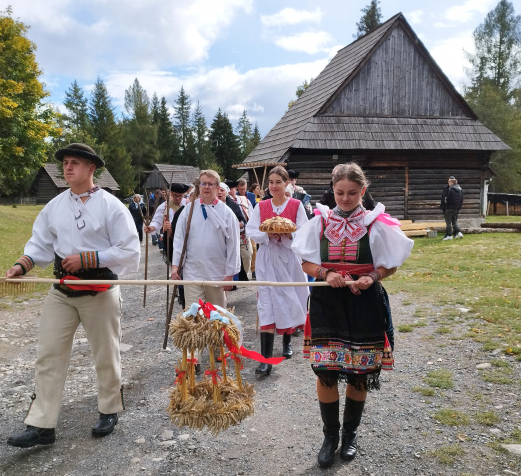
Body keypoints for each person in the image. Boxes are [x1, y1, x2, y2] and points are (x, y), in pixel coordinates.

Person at [5, 143, 140, 448]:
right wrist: (21, 265)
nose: (67, 168)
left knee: (106, 355)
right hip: (62, 292)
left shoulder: (112, 206)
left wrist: (90, 258)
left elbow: (129, 250)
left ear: (92, 169)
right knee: (48, 355)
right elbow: (40, 243)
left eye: (75, 163)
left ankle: (109, 409)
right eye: (65, 163)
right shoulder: (54, 206)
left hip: (100, 293)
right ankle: (42, 424)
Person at [292, 162, 413, 468]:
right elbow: (305, 263)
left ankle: (350, 436)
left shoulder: (377, 223)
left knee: (359, 372)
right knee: (326, 370)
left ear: (363, 190)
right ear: (332, 190)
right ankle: (329, 436)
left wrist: (372, 277)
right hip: (327, 303)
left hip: (364, 304)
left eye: (352, 193)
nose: (345, 199)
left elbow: (391, 264)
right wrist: (324, 272)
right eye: (339, 192)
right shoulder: (320, 221)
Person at [245, 166, 309, 375]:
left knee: (288, 298)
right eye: (271, 182)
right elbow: (251, 229)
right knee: (266, 303)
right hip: (267, 258)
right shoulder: (262, 206)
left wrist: (289, 234)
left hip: (289, 258)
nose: (273, 186)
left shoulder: (296, 204)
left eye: (278, 182)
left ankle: (287, 342)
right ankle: (265, 360)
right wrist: (267, 236)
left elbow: (304, 230)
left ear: (286, 183)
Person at [171, 170, 240, 308]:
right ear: (199, 186)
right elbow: (179, 239)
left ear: (217, 187)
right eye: (203, 184)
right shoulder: (188, 210)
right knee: (193, 316)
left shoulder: (227, 213)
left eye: (210, 184)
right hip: (192, 272)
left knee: (216, 316)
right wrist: (175, 267)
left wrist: (230, 274)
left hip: (217, 273)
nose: (206, 187)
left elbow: (233, 244)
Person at [144, 183, 189, 262]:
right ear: (171, 194)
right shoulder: (164, 206)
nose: (177, 198)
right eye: (175, 195)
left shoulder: (188, 204)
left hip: (186, 237)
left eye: (180, 196)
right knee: (174, 259)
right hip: (171, 238)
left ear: (183, 195)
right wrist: (151, 228)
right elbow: (157, 221)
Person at [441, 176, 464, 241]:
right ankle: (458, 233)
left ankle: (449, 235)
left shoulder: (451, 190)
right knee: (454, 221)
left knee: (448, 222)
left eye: (450, 181)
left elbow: (447, 199)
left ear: (452, 182)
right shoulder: (459, 189)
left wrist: (446, 203)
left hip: (449, 207)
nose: (449, 183)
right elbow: (461, 200)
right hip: (455, 208)